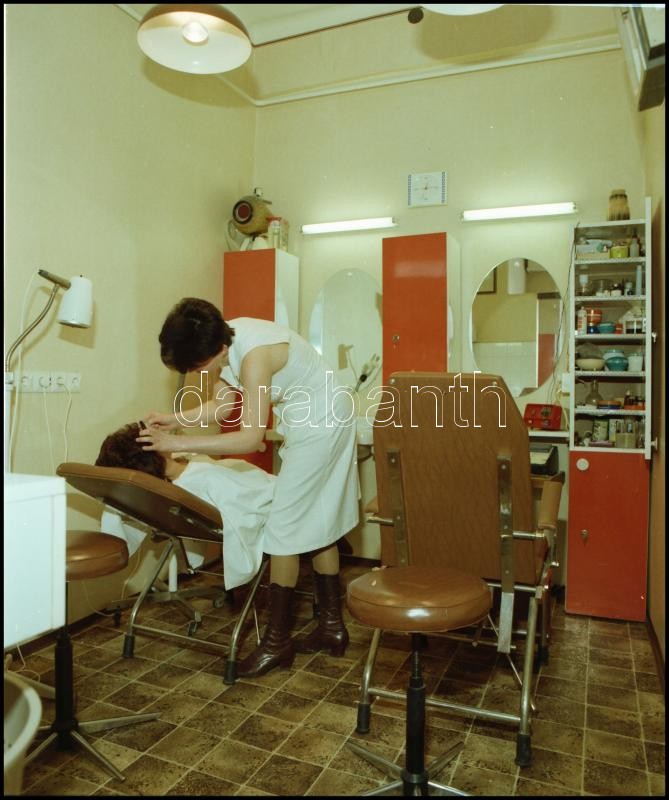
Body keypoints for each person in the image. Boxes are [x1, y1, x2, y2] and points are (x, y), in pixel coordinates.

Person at [138, 298, 360, 677]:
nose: (199, 373)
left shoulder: (255, 357)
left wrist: (177, 443)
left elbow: (250, 438)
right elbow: (222, 407)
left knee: (283, 531)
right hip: (316, 419)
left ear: (216, 351)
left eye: (198, 367)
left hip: (323, 423)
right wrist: (173, 420)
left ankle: (277, 643)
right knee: (318, 522)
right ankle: (331, 627)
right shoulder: (228, 337)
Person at [95, 422, 275, 591]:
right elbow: (254, 501)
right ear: (155, 451)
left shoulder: (169, 481)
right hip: (270, 490)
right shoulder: (204, 478)